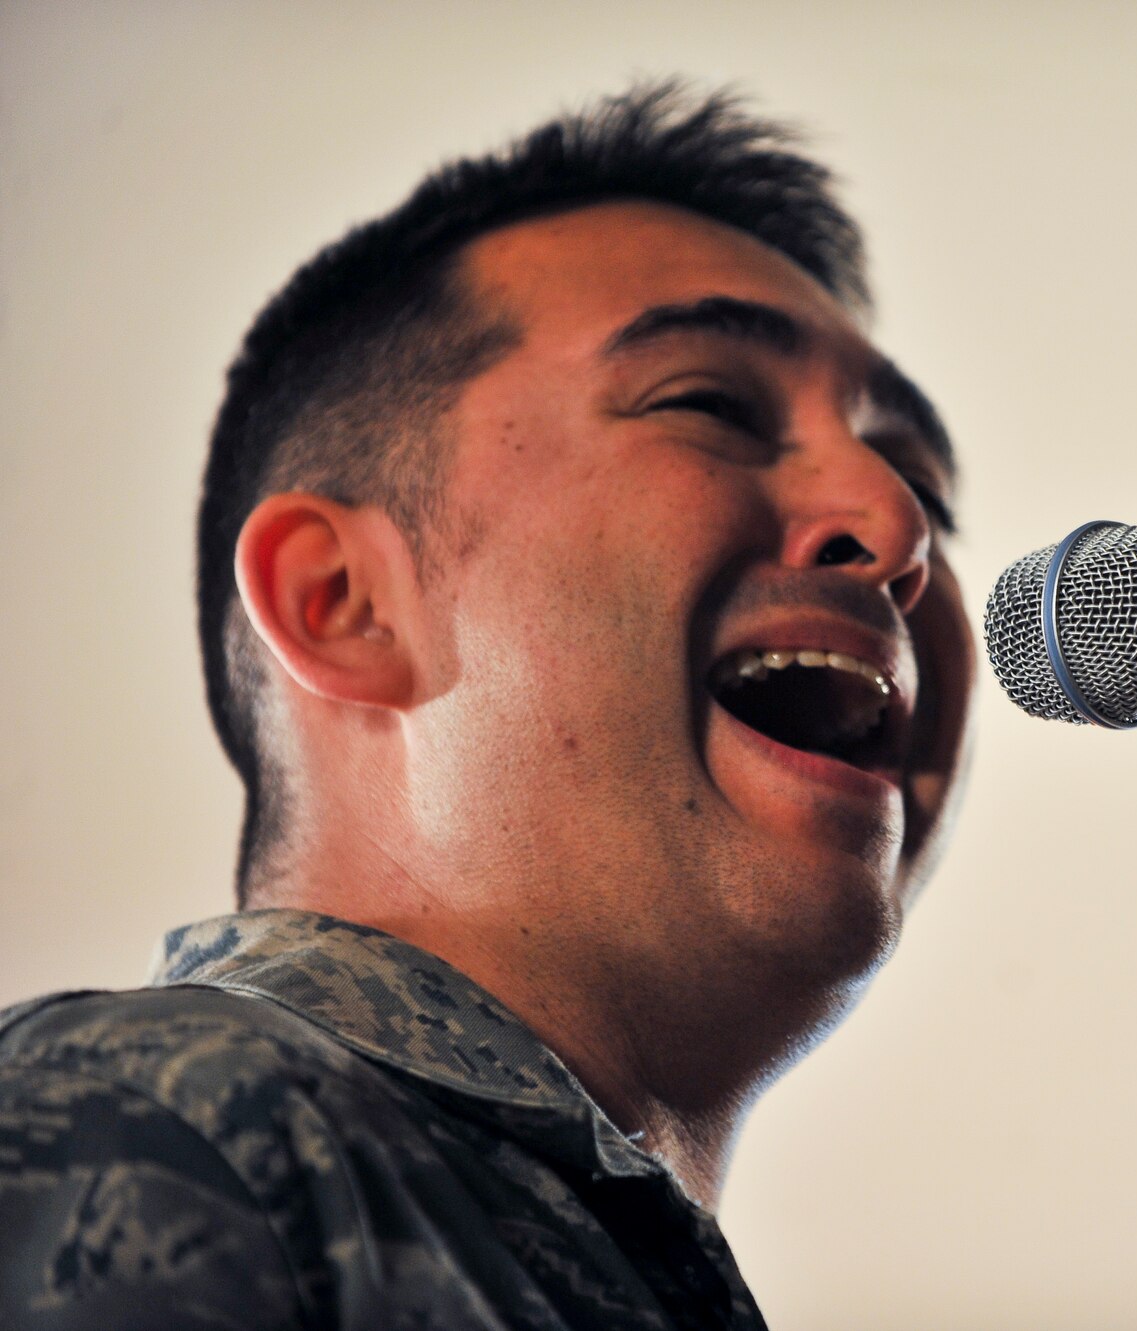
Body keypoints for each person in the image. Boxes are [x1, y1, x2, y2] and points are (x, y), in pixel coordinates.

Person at [0, 81, 974, 1330]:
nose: (896, 529)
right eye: (710, 405)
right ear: (341, 600)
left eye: (925, 488)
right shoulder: (151, 1123)